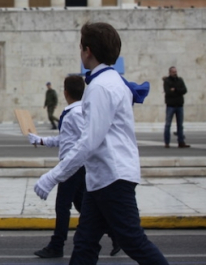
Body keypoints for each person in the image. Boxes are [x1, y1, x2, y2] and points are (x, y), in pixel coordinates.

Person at [34, 22, 169, 265]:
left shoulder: (99, 87)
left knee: (133, 241)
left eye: (80, 47)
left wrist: (54, 176)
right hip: (103, 178)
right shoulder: (113, 81)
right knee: (85, 244)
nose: (80, 52)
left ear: (88, 51)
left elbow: (88, 142)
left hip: (112, 177)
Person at [28, 75, 119, 258]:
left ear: (65, 92)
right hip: (76, 166)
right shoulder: (75, 111)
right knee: (83, 206)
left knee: (62, 206)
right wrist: (41, 140)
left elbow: (85, 140)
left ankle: (57, 245)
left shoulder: (76, 113)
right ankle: (115, 234)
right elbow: (66, 139)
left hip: (73, 166)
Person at [163, 66, 190, 148]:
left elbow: (184, 90)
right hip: (170, 106)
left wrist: (175, 89)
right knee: (168, 125)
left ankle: (181, 142)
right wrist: (177, 91)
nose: (175, 73)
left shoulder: (180, 80)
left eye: (175, 71)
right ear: (170, 72)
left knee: (180, 125)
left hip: (179, 105)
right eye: (173, 72)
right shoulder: (167, 81)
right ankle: (167, 142)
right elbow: (168, 92)